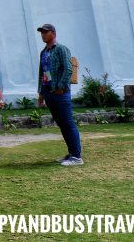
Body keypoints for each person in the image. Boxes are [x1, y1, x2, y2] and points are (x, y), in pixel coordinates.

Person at [36, 23, 83, 166]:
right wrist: (41, 92)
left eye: (45, 32)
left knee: (68, 123)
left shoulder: (61, 49)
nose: (43, 35)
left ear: (53, 33)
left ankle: (76, 157)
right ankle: (71, 153)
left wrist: (61, 87)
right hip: (48, 91)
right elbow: (43, 73)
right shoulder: (44, 52)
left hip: (60, 93)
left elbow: (68, 69)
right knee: (62, 124)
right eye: (41, 33)